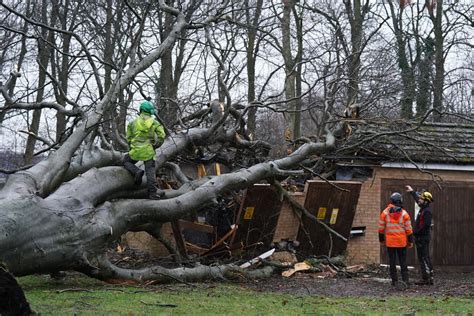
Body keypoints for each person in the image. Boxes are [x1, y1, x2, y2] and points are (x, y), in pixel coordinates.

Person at [123, 101, 166, 199]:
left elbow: (128, 137)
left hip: (136, 151)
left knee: (126, 161)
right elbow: (162, 135)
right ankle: (152, 193)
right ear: (150, 111)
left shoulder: (133, 123)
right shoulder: (154, 122)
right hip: (149, 151)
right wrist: (156, 145)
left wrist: (131, 146)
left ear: (141, 110)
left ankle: (136, 171)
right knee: (150, 172)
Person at [378, 192, 414, 287]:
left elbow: (381, 228)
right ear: (400, 200)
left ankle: (394, 281)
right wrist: (410, 241)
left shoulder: (385, 213)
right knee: (403, 262)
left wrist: (381, 240)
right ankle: (405, 280)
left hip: (390, 243)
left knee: (392, 262)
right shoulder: (404, 214)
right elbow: (409, 229)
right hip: (401, 242)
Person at [405, 185, 434, 285]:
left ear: (426, 201)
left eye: (422, 198)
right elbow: (417, 200)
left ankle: (428, 278)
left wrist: (415, 232)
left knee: (424, 257)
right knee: (422, 257)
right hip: (420, 237)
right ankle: (426, 278)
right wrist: (412, 192)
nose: (419, 199)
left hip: (423, 238)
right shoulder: (423, 208)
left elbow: (425, 226)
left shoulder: (427, 212)